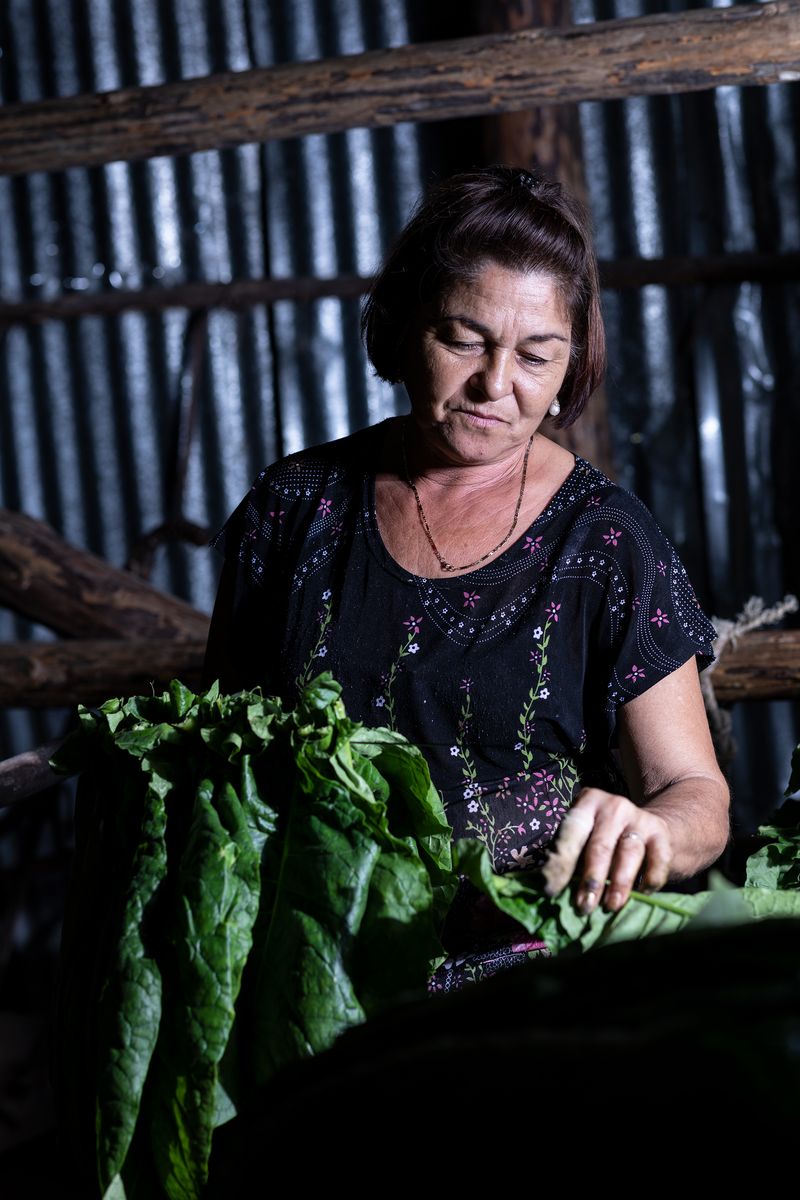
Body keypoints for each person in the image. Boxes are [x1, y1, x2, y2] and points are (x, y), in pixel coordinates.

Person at [205, 166, 729, 990]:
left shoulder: (604, 543)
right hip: (304, 982)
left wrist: (649, 827)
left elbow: (694, 791)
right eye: (465, 339)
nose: (496, 385)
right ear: (407, 325)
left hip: (526, 994)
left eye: (534, 355)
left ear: (571, 366)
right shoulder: (294, 508)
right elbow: (219, 750)